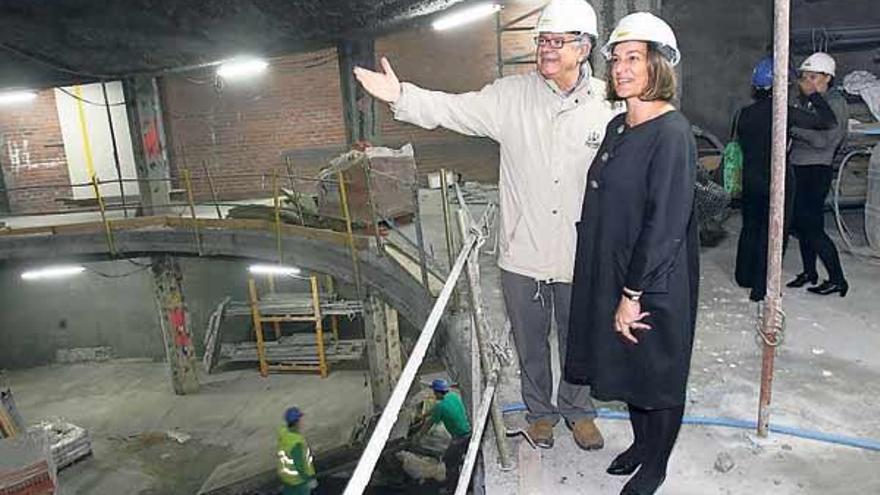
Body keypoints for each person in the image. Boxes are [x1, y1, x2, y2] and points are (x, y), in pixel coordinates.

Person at [353, 0, 619, 450]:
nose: (546, 50)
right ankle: (540, 413)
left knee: (580, 341)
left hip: (581, 252)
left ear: (584, 47)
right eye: (542, 41)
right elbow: (452, 109)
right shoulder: (510, 97)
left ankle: (578, 410)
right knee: (530, 342)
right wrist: (402, 96)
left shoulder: (608, 105)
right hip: (523, 251)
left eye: (558, 41)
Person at [564, 13, 698, 495]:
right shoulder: (619, 126)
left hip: (652, 279)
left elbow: (664, 224)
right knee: (631, 368)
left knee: (658, 373)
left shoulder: (672, 133)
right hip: (617, 270)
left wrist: (632, 293)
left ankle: (657, 465)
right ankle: (642, 446)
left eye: (633, 58)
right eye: (617, 59)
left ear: (659, 65)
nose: (620, 68)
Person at [734, 55, 838, 301]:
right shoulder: (782, 112)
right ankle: (762, 289)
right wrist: (812, 94)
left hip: (751, 179)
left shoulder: (744, 113)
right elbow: (827, 121)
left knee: (750, 227)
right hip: (777, 180)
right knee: (772, 233)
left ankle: (744, 276)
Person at [787, 52, 850, 297]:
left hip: (816, 170)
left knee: (813, 228)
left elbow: (825, 141)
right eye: (805, 77)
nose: (807, 82)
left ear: (827, 78)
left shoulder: (834, 104)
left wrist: (793, 129)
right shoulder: (811, 102)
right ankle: (809, 272)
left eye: (813, 77)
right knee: (802, 226)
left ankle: (837, 279)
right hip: (800, 167)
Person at [417, 379, 472, 491]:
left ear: (437, 392)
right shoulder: (453, 396)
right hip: (469, 431)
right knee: (463, 456)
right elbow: (435, 409)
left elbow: (430, 423)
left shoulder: (441, 406)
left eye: (434, 392)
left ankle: (452, 488)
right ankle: (466, 476)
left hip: (459, 437)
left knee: (449, 462)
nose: (433, 394)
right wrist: (424, 415)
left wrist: (418, 436)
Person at [276, 407, 317, 495]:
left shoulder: (285, 434)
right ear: (297, 422)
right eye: (301, 419)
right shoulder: (296, 443)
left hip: (287, 477)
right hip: (298, 481)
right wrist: (309, 479)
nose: (303, 421)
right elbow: (299, 465)